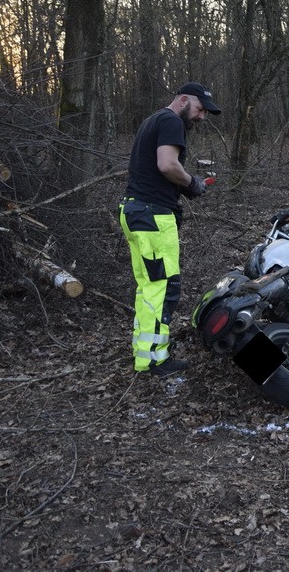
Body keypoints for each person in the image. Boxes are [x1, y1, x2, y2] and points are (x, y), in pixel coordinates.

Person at [118, 82, 221, 376]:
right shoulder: (171, 121)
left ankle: (145, 353)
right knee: (163, 288)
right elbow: (167, 165)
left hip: (135, 210)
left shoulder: (154, 120)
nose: (202, 117)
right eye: (200, 109)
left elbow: (158, 169)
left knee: (149, 287)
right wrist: (191, 182)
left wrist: (188, 187)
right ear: (184, 100)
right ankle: (153, 360)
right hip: (153, 216)